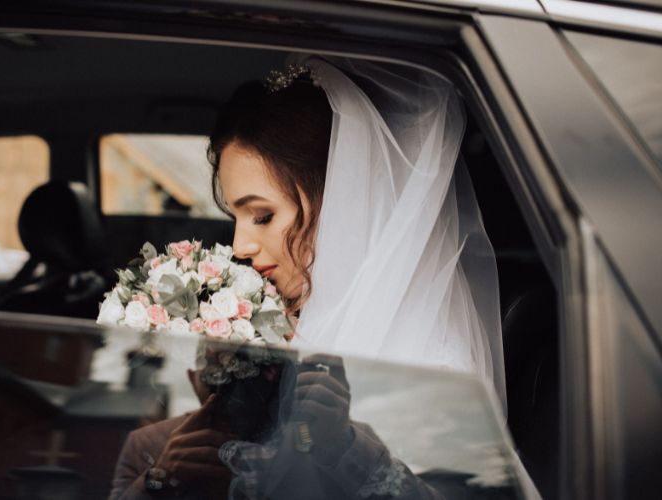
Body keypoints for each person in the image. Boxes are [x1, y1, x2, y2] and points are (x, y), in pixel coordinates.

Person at [109, 56, 507, 499]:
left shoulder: (434, 365)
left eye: (262, 215)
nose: (239, 245)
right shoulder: (281, 334)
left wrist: (348, 451)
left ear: (341, 203)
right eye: (236, 217)